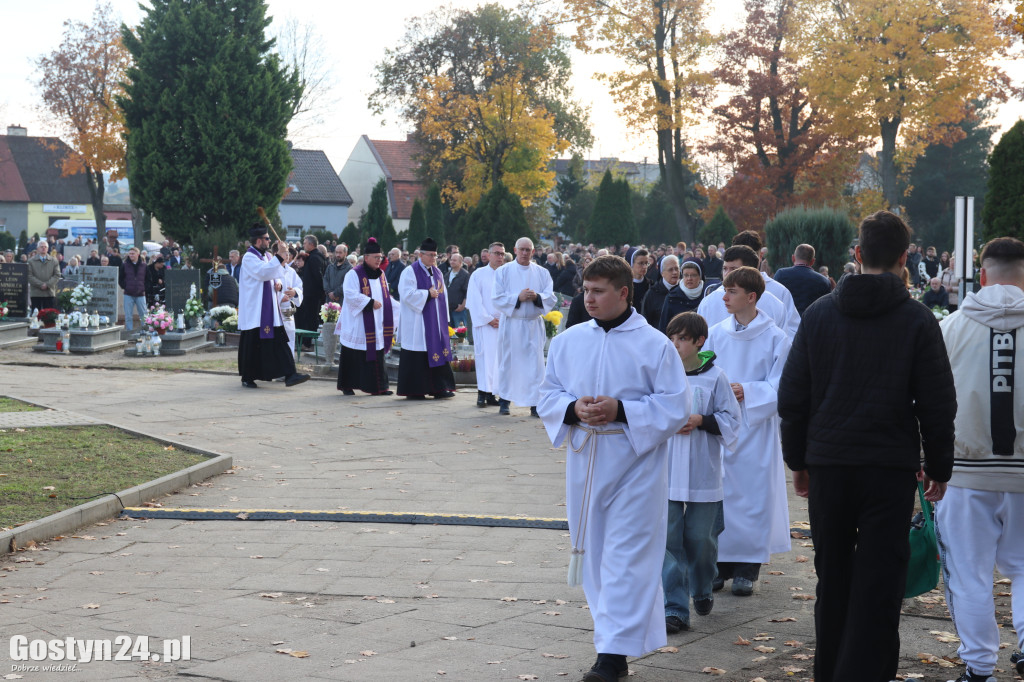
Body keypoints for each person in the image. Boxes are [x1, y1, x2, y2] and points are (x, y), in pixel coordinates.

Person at [777, 210, 954, 682]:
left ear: (856, 254)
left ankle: (831, 670)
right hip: (888, 467)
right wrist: (938, 464)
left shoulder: (819, 315)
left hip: (830, 463)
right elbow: (937, 403)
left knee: (832, 577)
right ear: (904, 259)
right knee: (879, 580)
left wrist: (797, 460)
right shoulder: (917, 319)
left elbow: (793, 397)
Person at [536, 255, 691, 682]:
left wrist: (621, 409)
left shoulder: (654, 344)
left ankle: (611, 657)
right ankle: (612, 641)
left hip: (635, 466)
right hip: (586, 465)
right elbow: (547, 393)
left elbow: (676, 406)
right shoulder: (569, 341)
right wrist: (572, 408)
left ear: (624, 293)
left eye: (598, 291)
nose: (588, 298)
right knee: (597, 558)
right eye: (586, 290)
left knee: (626, 558)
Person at [935, 237, 1024, 682]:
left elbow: (927, 401)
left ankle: (980, 668)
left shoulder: (950, 328)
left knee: (968, 573)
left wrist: (927, 457)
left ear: (982, 275)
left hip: (964, 469)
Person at [703, 266, 792, 596]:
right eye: (725, 290)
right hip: (722, 425)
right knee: (721, 493)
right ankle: (718, 564)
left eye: (732, 292)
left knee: (752, 495)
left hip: (756, 425)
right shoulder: (715, 334)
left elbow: (783, 384)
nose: (724, 297)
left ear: (751, 297)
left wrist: (749, 391)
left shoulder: (775, 338)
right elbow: (703, 371)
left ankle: (747, 567)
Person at [662, 311, 740, 634]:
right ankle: (675, 608)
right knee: (668, 542)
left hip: (702, 470)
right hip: (665, 471)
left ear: (699, 342)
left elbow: (731, 420)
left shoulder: (715, 377)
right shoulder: (661, 375)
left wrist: (700, 421)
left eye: (682, 339)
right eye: (672, 338)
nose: (675, 345)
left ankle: (703, 585)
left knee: (700, 539)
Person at [237, 224, 310, 389]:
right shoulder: (249, 257)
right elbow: (262, 273)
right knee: (252, 343)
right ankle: (247, 377)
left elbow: (276, 273)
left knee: (280, 342)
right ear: (258, 240)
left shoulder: (268, 256)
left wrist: (278, 281)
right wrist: (278, 256)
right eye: (267, 238)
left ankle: (290, 375)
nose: (269, 241)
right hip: (255, 309)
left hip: (270, 308)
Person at [492, 237, 556, 416]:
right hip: (512, 324)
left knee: (534, 366)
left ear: (533, 252)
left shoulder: (542, 273)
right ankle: (504, 401)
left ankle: (535, 404)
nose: (525, 253)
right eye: (522, 249)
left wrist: (537, 297)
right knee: (508, 362)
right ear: (514, 250)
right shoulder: (503, 271)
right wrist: (516, 298)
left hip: (532, 325)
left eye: (529, 250)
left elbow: (550, 297)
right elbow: (496, 298)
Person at [397, 238, 456, 399]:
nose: (433, 258)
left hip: (435, 323)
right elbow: (406, 294)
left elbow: (443, 296)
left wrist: (445, 320)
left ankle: (439, 388)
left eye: (435, 255)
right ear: (421, 255)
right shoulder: (410, 271)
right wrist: (427, 294)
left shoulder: (437, 272)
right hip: (417, 322)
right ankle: (415, 391)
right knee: (418, 355)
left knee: (437, 352)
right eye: (430, 255)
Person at [698, 246, 800, 338]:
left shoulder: (774, 303)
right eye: (725, 269)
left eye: (734, 269)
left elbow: (789, 335)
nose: (727, 274)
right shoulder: (708, 302)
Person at [336, 238, 395, 396]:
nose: (379, 260)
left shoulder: (381, 274)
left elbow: (385, 296)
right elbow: (350, 294)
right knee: (353, 354)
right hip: (358, 322)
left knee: (377, 353)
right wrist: (369, 302)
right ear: (366, 257)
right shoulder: (353, 274)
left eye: (380, 257)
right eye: (376, 257)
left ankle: (378, 387)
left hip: (376, 321)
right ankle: (347, 385)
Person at [466, 242, 506, 407]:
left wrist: (504, 319)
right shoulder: (478, 274)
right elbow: (474, 300)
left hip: (503, 324)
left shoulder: (507, 274)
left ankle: (494, 394)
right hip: (485, 325)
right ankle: (482, 394)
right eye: (496, 253)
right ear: (488, 255)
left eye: (502, 254)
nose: (500, 257)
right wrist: (488, 319)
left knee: (499, 361)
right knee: (484, 359)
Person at [772, 244, 832, 316]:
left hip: (786, 323)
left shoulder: (781, 274)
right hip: (811, 323)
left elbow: (773, 301)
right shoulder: (824, 281)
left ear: (793, 258)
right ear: (813, 261)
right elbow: (826, 308)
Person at [295, 235, 327, 345]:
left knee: (311, 319)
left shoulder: (315, 257)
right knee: (307, 318)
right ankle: (305, 342)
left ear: (311, 244)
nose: (303, 245)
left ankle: (308, 343)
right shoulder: (312, 256)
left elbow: (318, 276)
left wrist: (322, 291)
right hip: (309, 294)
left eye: (305, 243)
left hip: (314, 295)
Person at [659, 260, 704, 332]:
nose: (689, 278)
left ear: (700, 277)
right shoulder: (672, 297)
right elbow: (664, 326)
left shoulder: (706, 295)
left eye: (693, 275)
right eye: (686, 275)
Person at [642, 255, 679, 330]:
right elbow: (646, 321)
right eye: (670, 270)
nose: (675, 272)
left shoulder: (684, 290)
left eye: (676, 269)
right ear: (662, 273)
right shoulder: (652, 294)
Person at [278, 246, 303, 357]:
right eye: (285, 253)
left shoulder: (291, 271)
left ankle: (289, 365)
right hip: (276, 309)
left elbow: (299, 287)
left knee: (289, 337)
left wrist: (295, 292)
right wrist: (279, 298)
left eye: (288, 253)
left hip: (288, 310)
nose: (287, 256)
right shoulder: (272, 270)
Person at [120, 247, 149, 332]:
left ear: (138, 254)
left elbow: (148, 279)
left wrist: (144, 288)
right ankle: (129, 332)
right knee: (128, 315)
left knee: (143, 315)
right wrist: (125, 286)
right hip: (128, 293)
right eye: (130, 254)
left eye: (133, 253)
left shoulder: (144, 265)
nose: (131, 255)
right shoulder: (125, 265)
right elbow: (120, 278)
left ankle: (145, 331)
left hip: (140, 294)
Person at [27, 241, 61, 311]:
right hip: (36, 293)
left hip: (49, 292)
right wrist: (40, 284)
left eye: (45, 247)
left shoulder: (54, 261)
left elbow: (57, 275)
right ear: (37, 249)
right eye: (41, 247)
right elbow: (29, 276)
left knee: (48, 315)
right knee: (35, 315)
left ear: (48, 249)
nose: (43, 248)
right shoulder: (31, 261)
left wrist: (47, 284)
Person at [445, 253, 470, 328]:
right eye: (451, 260)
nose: (452, 262)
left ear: (460, 262)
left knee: (460, 333)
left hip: (459, 310)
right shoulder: (447, 274)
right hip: (448, 309)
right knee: (449, 333)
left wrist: (463, 305)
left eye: (454, 260)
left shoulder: (465, 275)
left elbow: (467, 292)